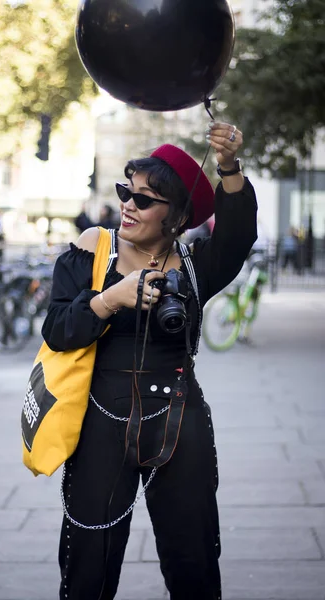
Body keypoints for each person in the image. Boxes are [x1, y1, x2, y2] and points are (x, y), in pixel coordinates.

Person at [42, 121, 258, 600]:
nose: (128, 204)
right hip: (100, 423)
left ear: (176, 215)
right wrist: (109, 299)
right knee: (87, 567)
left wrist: (227, 165)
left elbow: (240, 233)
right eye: (126, 191)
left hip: (180, 421)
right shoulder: (89, 254)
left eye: (144, 199)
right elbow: (57, 332)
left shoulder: (199, 264)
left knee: (193, 560)